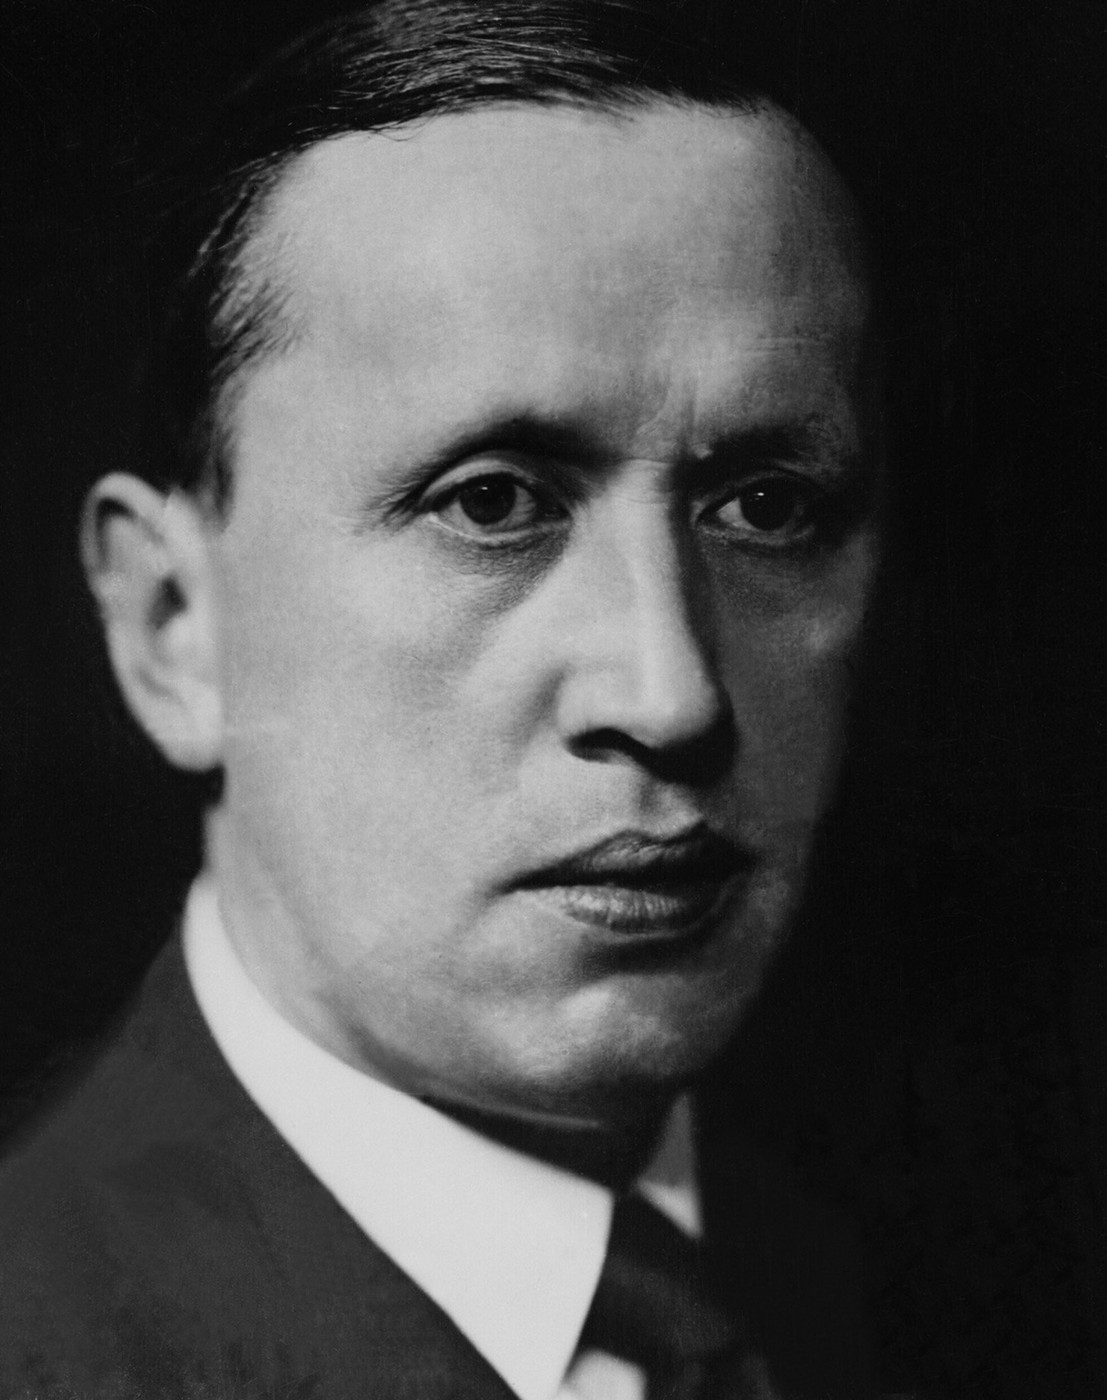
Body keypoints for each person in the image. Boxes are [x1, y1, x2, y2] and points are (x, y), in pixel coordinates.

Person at [0, 2, 888, 1395]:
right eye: (492, 504)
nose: (670, 693)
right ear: (176, 628)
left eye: (766, 508)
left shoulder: (952, 1268)